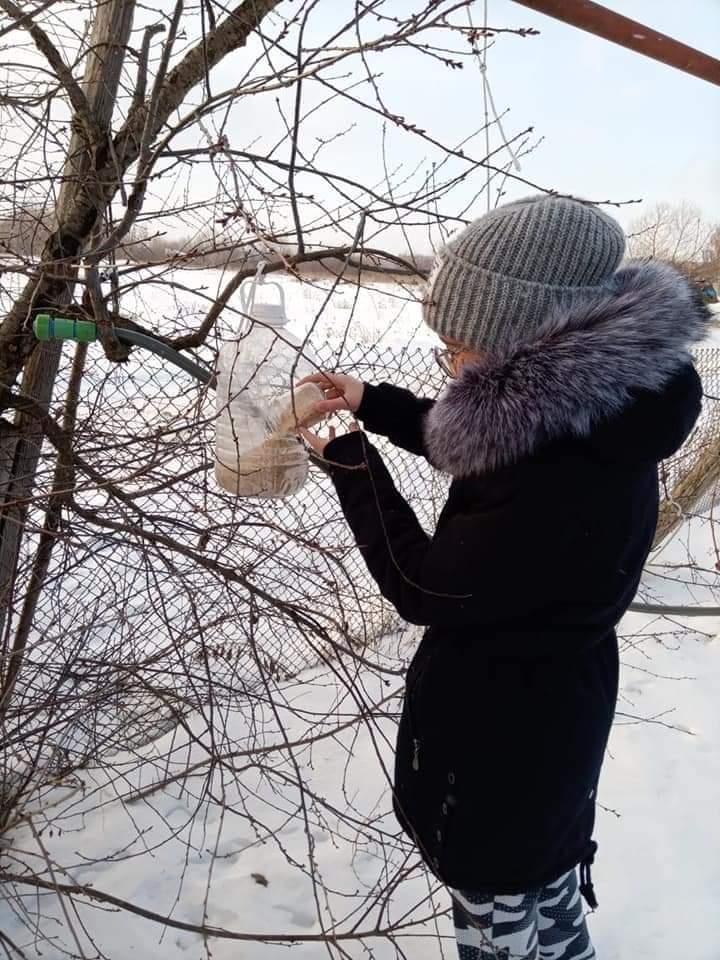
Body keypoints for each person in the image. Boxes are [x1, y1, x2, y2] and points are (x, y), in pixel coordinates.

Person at [298, 195, 708, 960]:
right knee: (544, 886)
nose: (450, 366)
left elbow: (428, 587)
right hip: (554, 722)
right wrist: (375, 404)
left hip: (503, 749)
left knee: (500, 923)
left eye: (458, 349)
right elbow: (484, 437)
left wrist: (345, 456)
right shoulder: (602, 414)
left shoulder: (560, 481)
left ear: (528, 343)